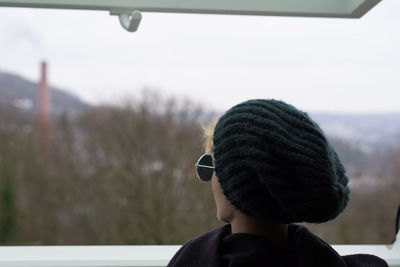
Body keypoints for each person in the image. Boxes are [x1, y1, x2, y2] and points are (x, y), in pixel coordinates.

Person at [167, 99, 388, 267]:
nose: (210, 179)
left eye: (211, 166)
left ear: (236, 185)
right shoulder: (331, 259)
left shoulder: (192, 258)